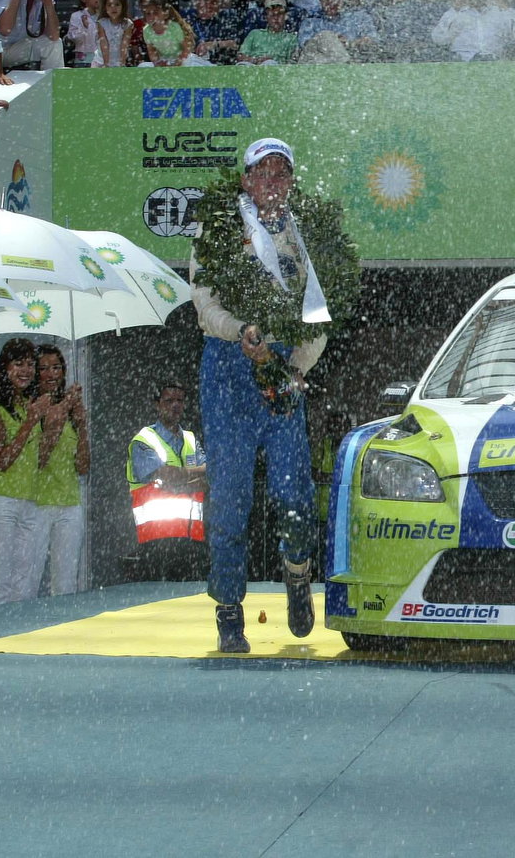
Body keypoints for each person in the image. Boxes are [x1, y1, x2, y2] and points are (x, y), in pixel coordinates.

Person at [188, 136, 359, 653]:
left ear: (291, 182)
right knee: (231, 500)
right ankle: (228, 611)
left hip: (282, 368)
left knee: (295, 495)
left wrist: (295, 367)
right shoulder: (218, 228)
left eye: (282, 172)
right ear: (246, 180)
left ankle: (298, 573)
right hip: (228, 371)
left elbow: (318, 315)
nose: (273, 181)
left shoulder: (306, 234)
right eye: (263, 172)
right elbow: (204, 306)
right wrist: (242, 332)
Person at [16, 343, 86, 598]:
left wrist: (82, 425)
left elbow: (83, 466)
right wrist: (66, 404)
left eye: (56, 367)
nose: (51, 374)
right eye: (43, 368)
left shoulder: (70, 407)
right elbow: (42, 456)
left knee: (66, 584)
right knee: (27, 580)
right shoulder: (31, 406)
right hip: (37, 503)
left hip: (69, 503)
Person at [126, 380, 208, 580]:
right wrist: (192, 476)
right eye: (169, 401)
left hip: (191, 541)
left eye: (180, 400)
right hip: (156, 543)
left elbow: (210, 477)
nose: (175, 405)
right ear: (157, 404)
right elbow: (169, 475)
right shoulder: (143, 440)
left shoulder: (190, 439)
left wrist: (179, 481)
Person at [0, 337, 41, 606]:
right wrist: (30, 422)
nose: (26, 370)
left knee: (25, 584)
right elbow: (2, 460)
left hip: (30, 500)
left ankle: (20, 631)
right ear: (5, 367)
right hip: (0, 500)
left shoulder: (28, 404)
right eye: (18, 364)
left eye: (30, 364)